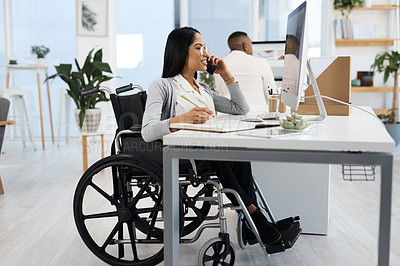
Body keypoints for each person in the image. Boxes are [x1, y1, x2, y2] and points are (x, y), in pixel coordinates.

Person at [141, 27, 281, 245]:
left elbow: (240, 108)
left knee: (239, 154)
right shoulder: (163, 85)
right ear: (180, 52)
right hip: (183, 153)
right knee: (220, 153)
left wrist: (226, 74)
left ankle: (251, 223)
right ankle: (256, 217)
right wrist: (182, 119)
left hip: (208, 147)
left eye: (205, 47)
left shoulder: (203, 89)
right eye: (198, 47)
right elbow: (148, 131)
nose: (206, 53)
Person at [215, 31, 277, 113]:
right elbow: (272, 94)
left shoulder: (220, 66)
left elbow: (222, 95)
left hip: (230, 115)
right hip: (259, 114)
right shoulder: (261, 62)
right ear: (246, 46)